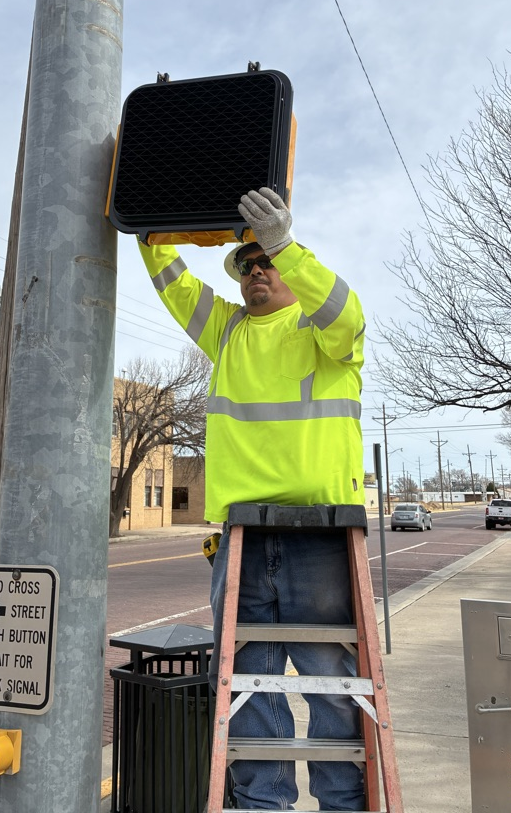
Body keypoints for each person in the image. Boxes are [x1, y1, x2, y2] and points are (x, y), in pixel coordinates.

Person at [138, 186, 366, 810]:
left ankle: (342, 801)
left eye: (264, 261)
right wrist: (148, 221)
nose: (255, 271)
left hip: (318, 533)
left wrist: (285, 246)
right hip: (243, 533)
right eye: (248, 265)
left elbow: (345, 313)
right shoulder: (228, 329)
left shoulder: (326, 335)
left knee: (329, 682)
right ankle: (262, 802)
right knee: (241, 683)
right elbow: (176, 285)